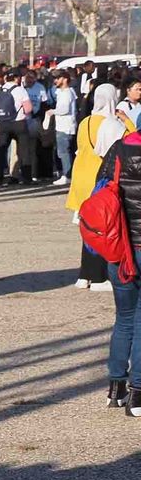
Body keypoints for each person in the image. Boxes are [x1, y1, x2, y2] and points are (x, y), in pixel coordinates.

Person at [69, 84, 129, 293]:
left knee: (88, 227)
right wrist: (127, 121)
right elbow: (125, 147)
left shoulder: (86, 121)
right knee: (104, 228)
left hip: (81, 175)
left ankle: (84, 275)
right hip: (100, 178)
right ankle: (98, 276)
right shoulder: (111, 124)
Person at [100, 124, 141, 414]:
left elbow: (100, 190)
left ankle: (116, 386)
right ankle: (138, 392)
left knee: (124, 317)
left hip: (120, 246)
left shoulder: (119, 146)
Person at [52, 69, 79, 186]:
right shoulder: (64, 92)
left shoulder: (67, 92)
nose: (55, 81)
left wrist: (52, 111)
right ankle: (68, 173)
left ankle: (67, 175)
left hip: (65, 127)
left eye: (58, 78)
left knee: (63, 152)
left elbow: (64, 110)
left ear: (65, 79)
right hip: (65, 126)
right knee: (66, 151)